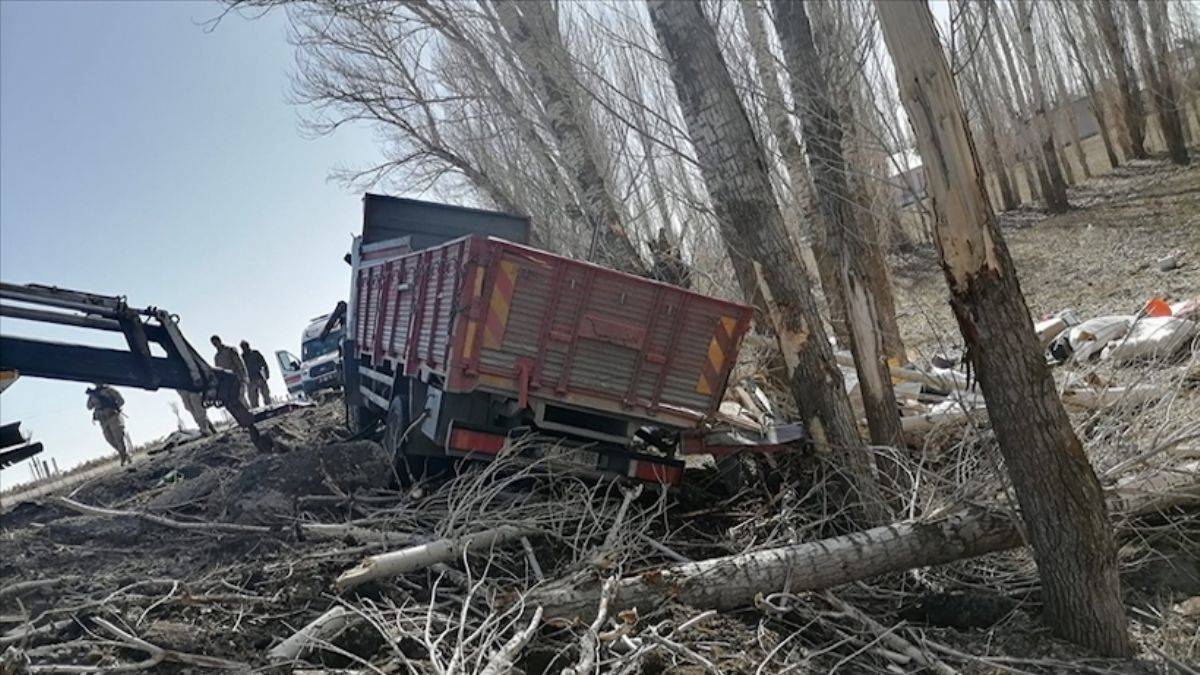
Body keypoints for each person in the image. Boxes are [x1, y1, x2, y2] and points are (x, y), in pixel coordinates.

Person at [86, 383, 130, 465]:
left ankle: (123, 456)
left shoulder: (110, 390)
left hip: (113, 416)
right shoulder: (93, 394)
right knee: (109, 439)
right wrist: (93, 398)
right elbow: (89, 407)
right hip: (103, 420)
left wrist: (114, 407)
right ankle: (125, 454)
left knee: (118, 437)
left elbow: (121, 401)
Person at [210, 335, 250, 408]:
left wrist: (244, 375)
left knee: (240, 397)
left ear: (219, 341)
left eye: (216, 342)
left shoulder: (230, 350)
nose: (215, 345)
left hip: (237, 377)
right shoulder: (217, 357)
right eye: (213, 344)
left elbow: (239, 363)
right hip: (228, 382)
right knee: (235, 400)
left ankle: (249, 413)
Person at [240, 340, 272, 408]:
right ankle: (258, 413)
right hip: (250, 380)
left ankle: (270, 408)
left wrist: (267, 373)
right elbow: (241, 368)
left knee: (266, 395)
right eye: (243, 347)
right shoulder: (242, 358)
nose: (245, 348)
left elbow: (264, 363)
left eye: (246, 346)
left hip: (259, 376)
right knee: (253, 399)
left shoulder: (255, 353)